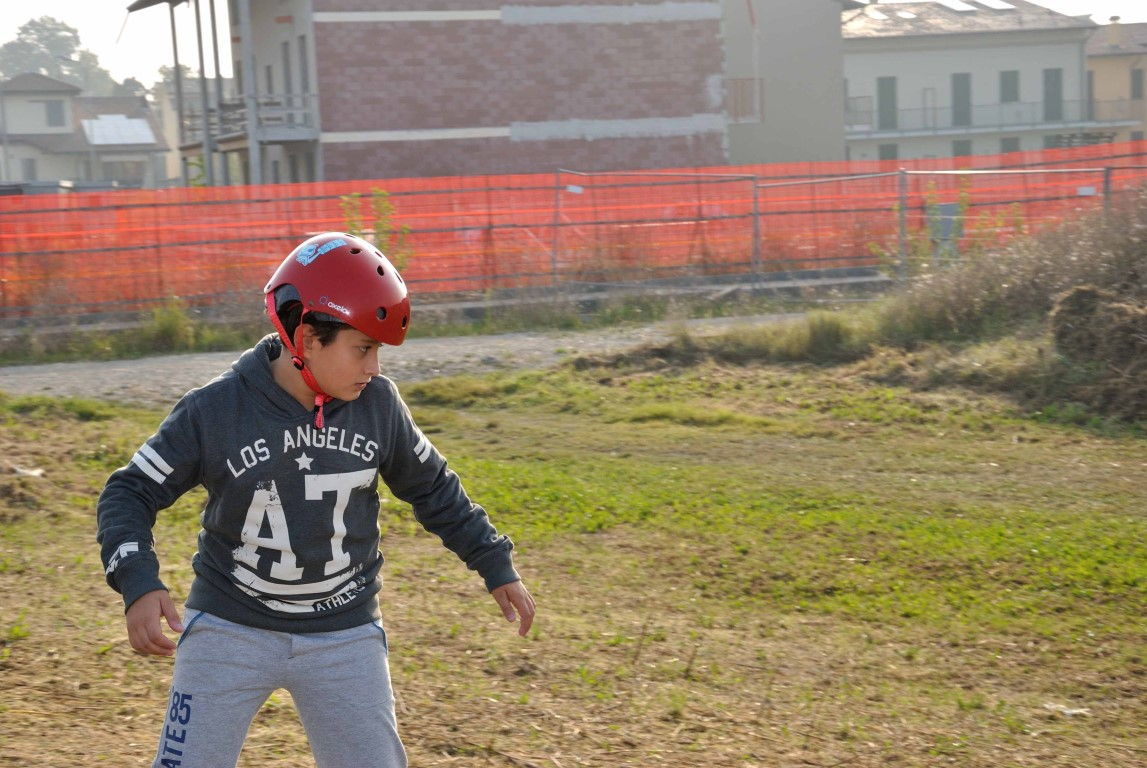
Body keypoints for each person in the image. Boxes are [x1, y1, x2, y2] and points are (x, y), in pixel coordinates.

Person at [97, 232, 535, 768]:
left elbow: (433, 488)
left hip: (344, 637)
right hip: (228, 630)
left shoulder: (378, 405)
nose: (374, 367)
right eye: (363, 348)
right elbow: (129, 491)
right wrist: (138, 581)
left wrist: (493, 561)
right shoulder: (214, 411)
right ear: (307, 337)